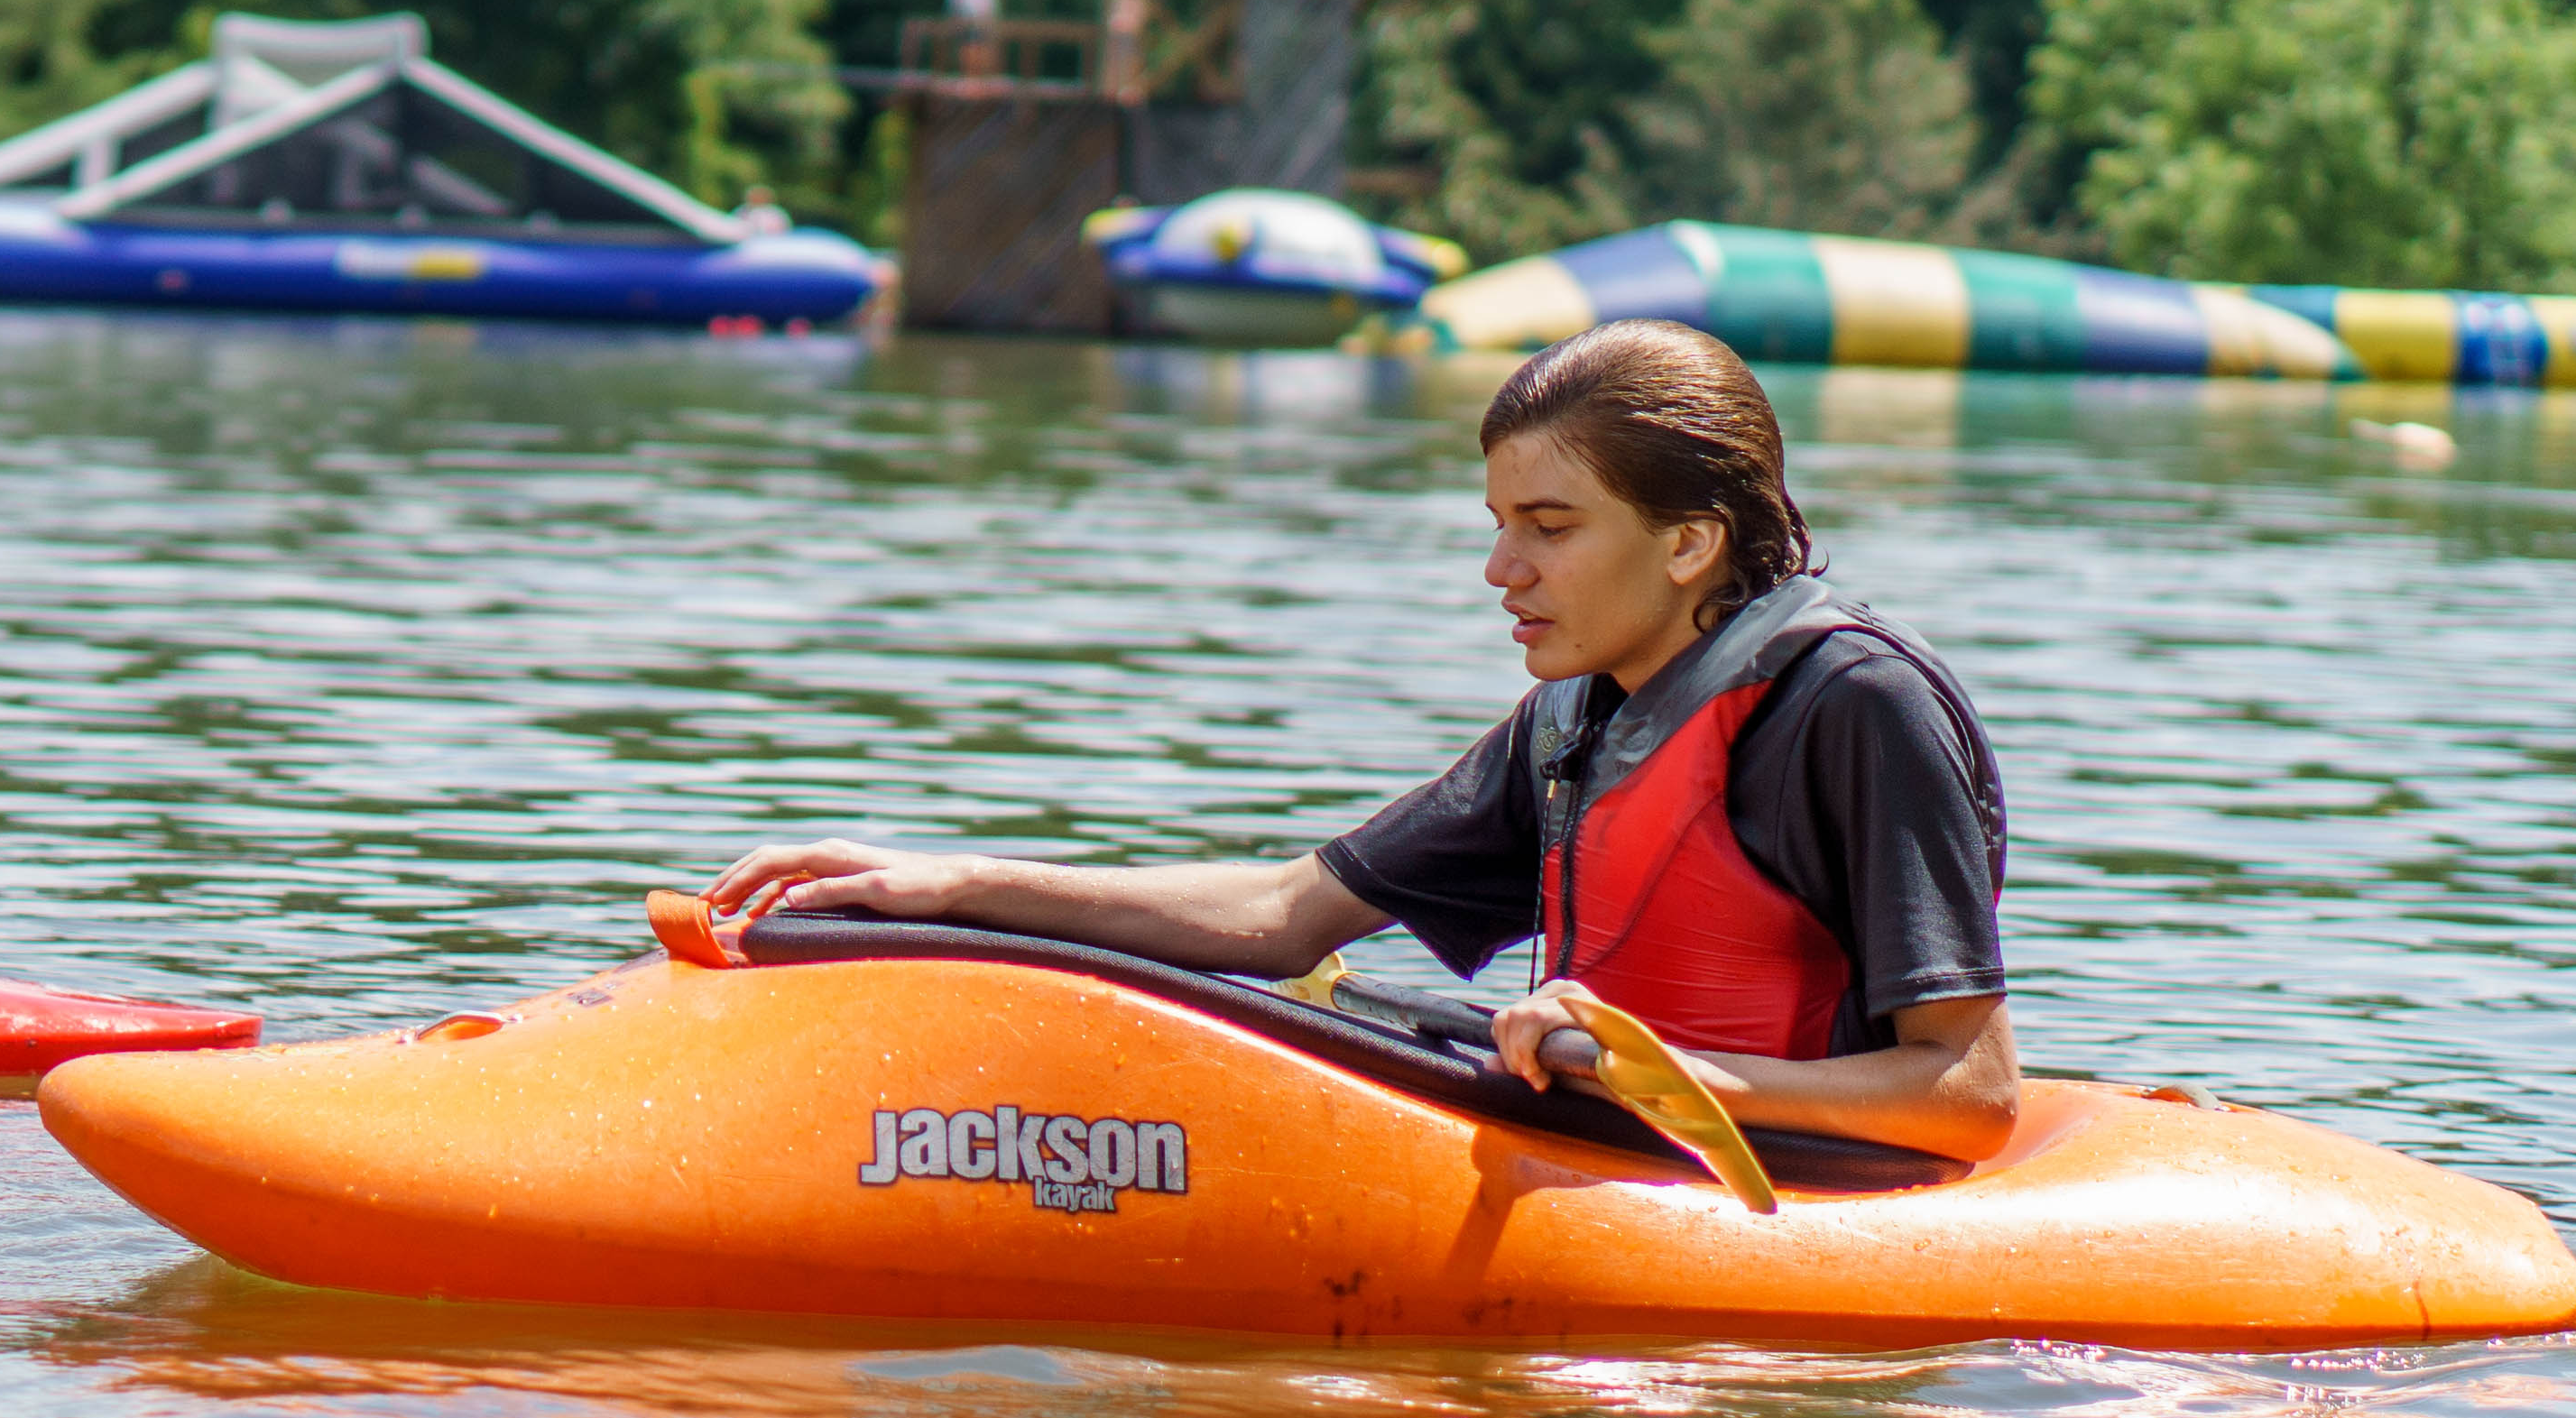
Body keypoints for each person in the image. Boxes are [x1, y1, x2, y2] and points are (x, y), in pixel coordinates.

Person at [702, 319, 2017, 1159]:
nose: (1501, 566)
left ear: (1688, 543)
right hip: (1608, 1146)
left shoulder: (1852, 705)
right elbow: (1287, 913)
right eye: (1499, 519)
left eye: (1549, 527)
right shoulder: (1575, 719)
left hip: (1801, 1190)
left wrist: (1666, 1076)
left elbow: (1965, 1092)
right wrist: (948, 886)